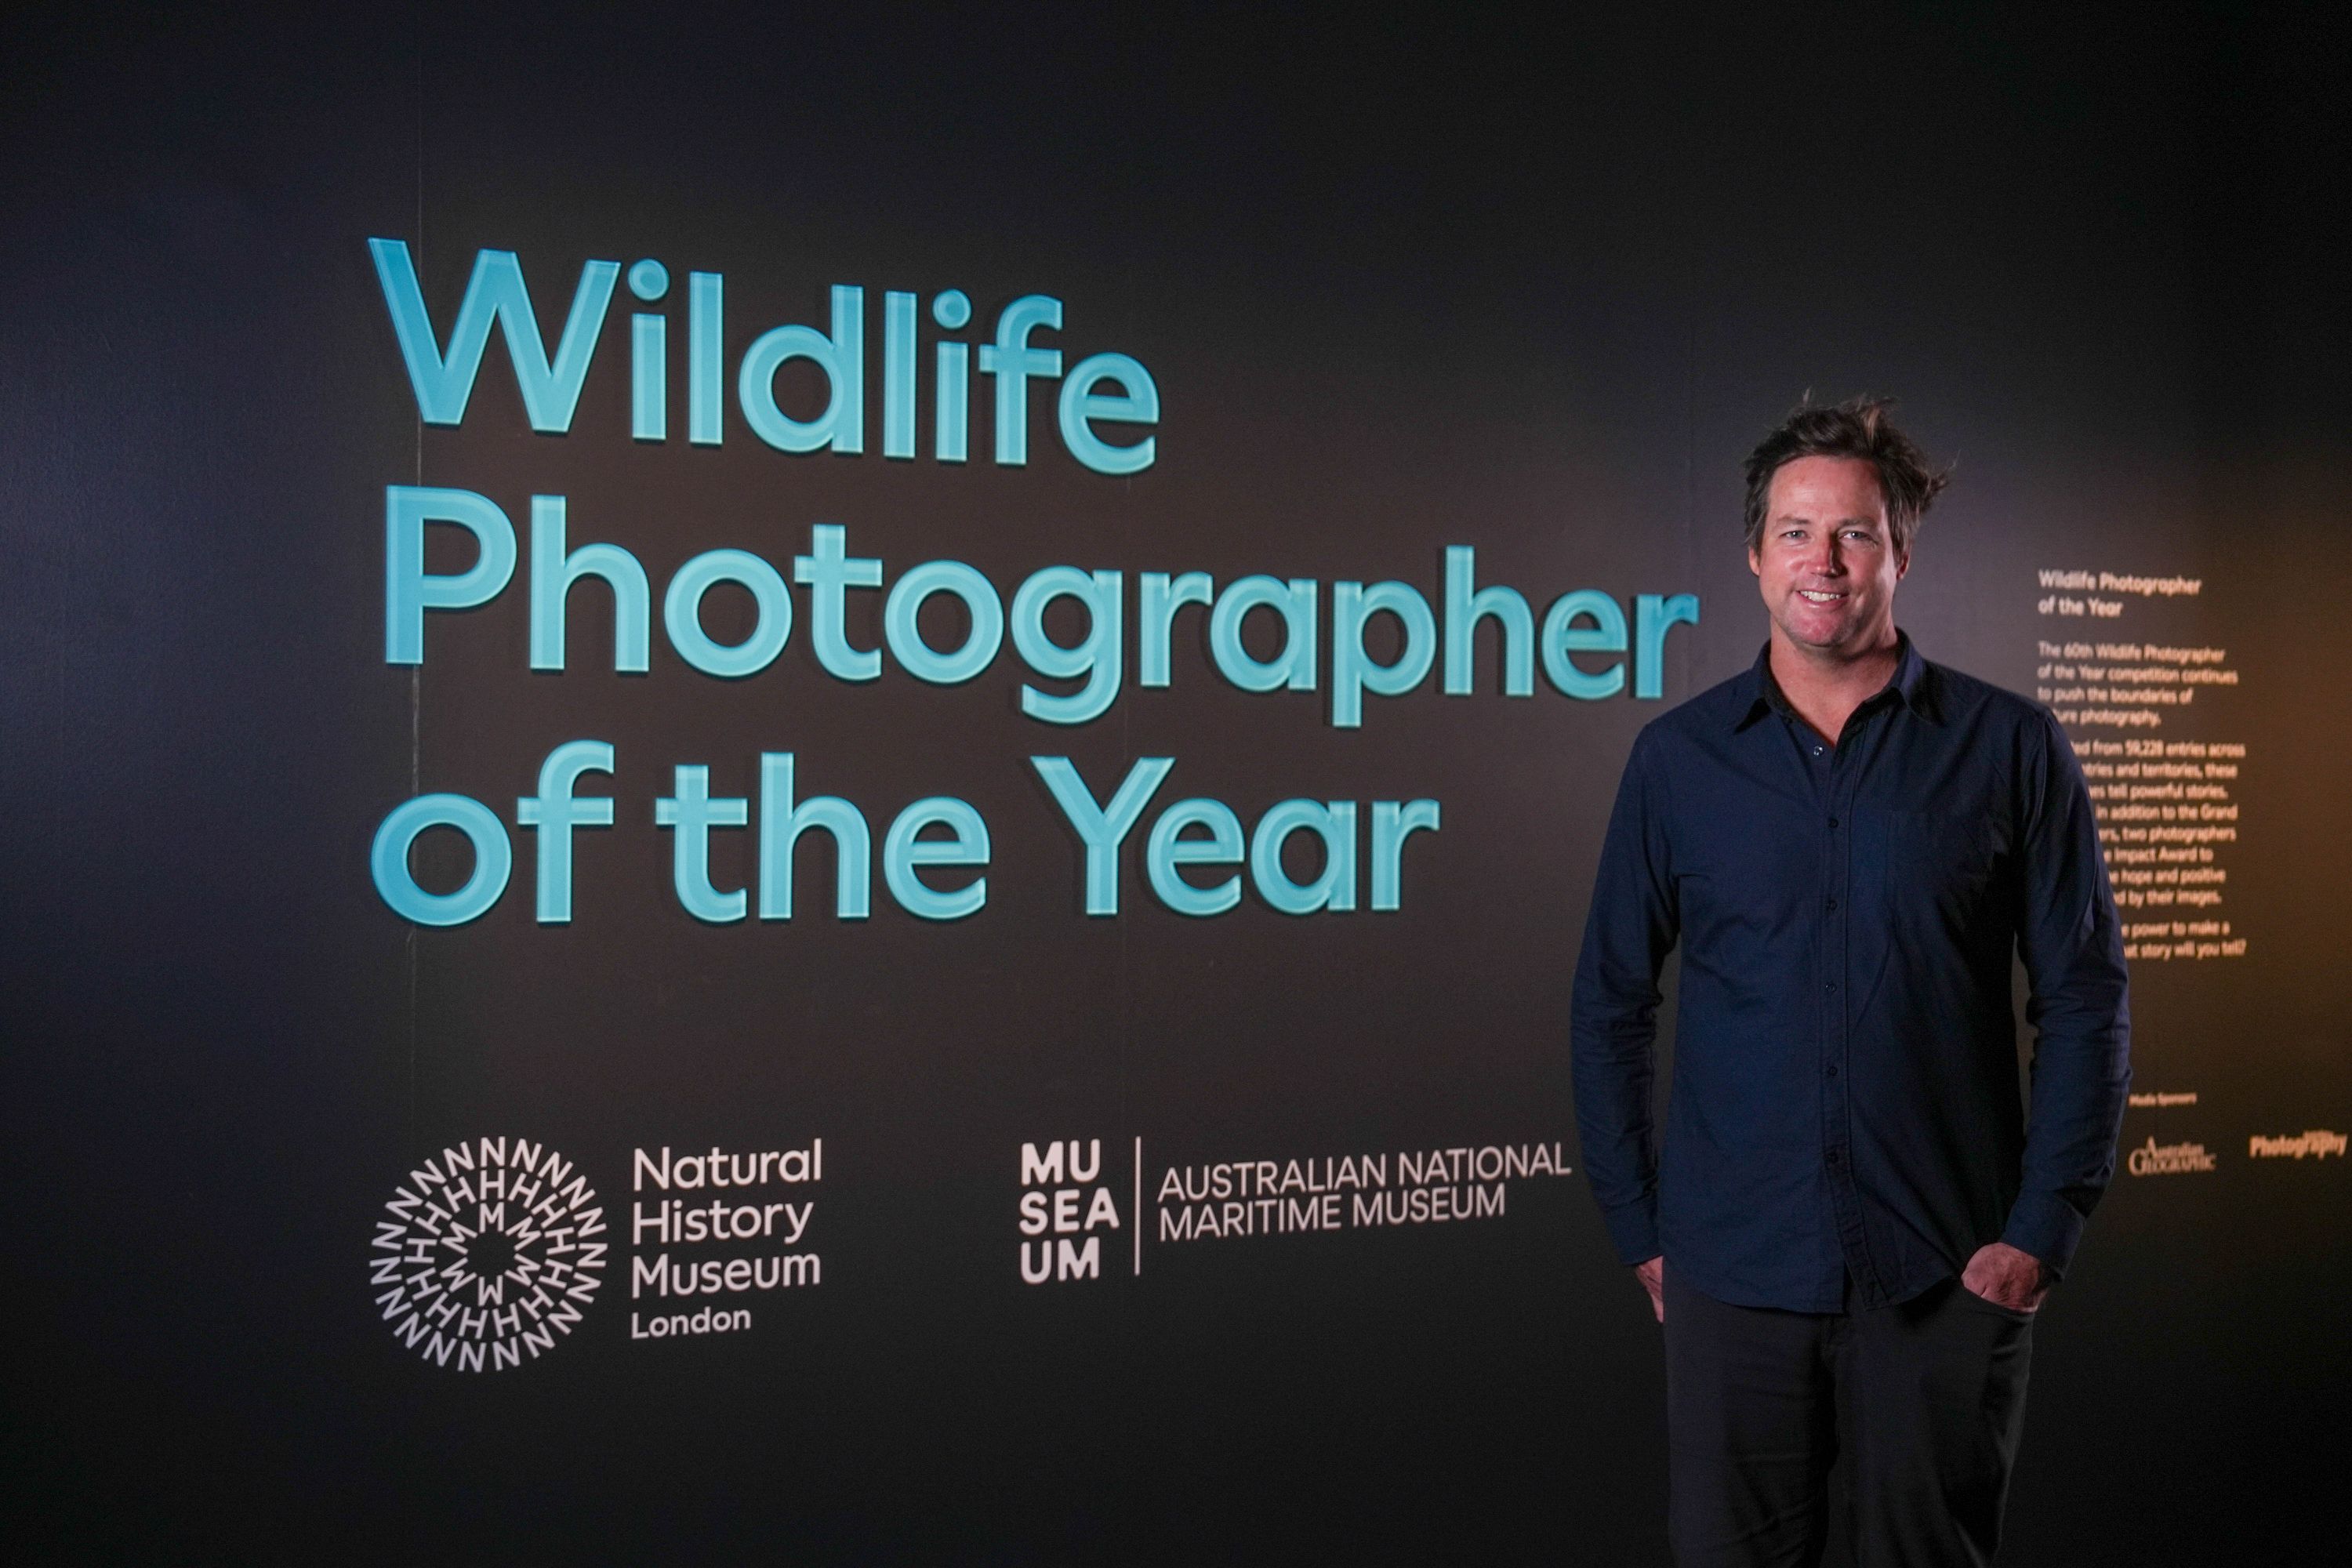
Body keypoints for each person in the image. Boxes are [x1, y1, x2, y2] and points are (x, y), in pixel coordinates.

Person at [1570, 397, 2131, 1566]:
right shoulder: (1676, 761)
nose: (1821, 561)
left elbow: (2084, 999)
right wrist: (1642, 1226)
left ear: (1902, 552)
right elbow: (1611, 1001)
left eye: (1856, 533)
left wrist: (2041, 1229)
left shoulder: (2011, 747)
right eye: (1794, 531)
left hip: (1946, 1276)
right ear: (1752, 553)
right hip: (1734, 1281)